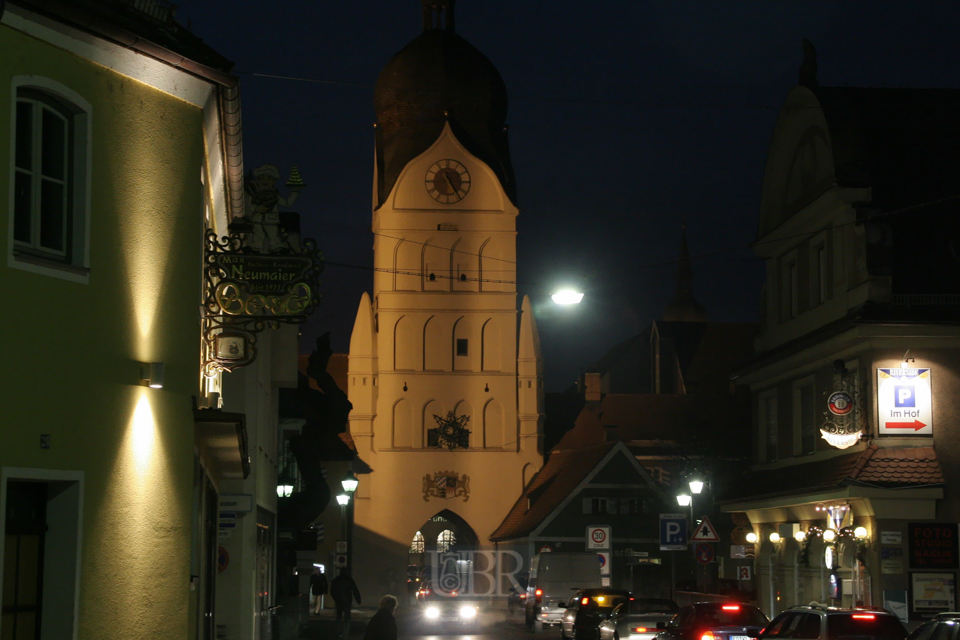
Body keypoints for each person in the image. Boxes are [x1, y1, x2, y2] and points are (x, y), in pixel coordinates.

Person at [331, 567, 362, 637]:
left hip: (338, 601)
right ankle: (345, 634)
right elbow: (355, 590)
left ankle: (338, 632)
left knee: (338, 617)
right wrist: (358, 600)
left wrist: (335, 598)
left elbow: (332, 591)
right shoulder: (349, 580)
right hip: (347, 601)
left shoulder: (336, 580)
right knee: (347, 618)